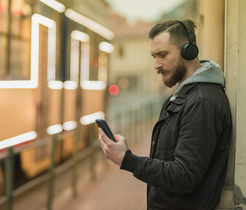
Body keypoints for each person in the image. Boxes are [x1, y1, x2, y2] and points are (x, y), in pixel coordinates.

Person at [98, 19, 232, 210]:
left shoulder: (202, 102)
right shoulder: (186, 96)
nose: (156, 65)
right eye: (154, 56)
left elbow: (184, 175)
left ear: (188, 51)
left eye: (162, 55)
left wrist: (127, 159)